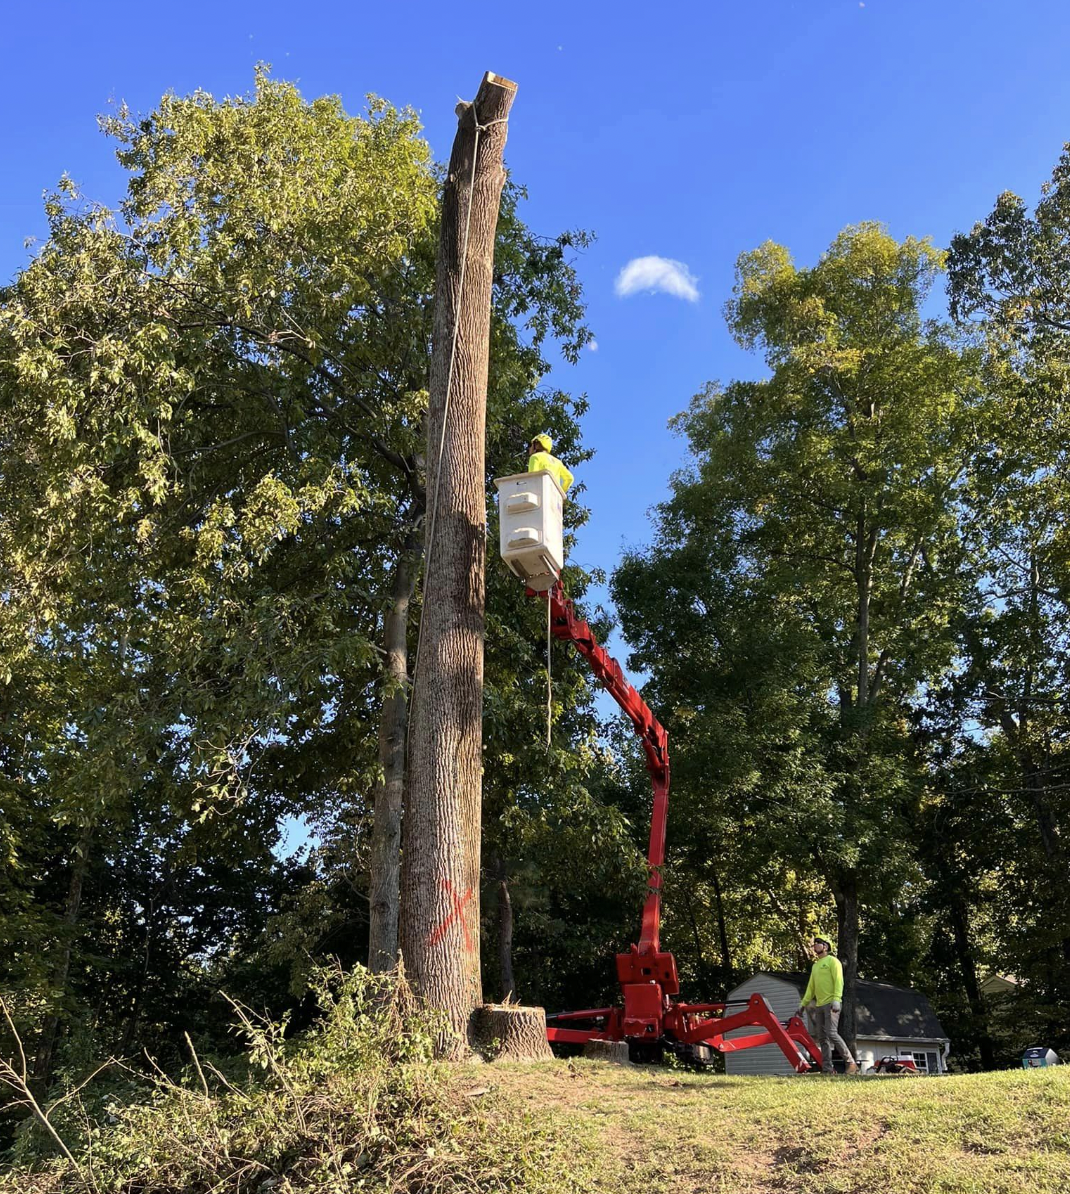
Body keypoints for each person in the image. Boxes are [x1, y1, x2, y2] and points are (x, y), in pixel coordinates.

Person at [799, 935, 859, 1075]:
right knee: (822, 1037)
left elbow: (839, 981)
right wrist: (803, 1005)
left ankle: (851, 1063)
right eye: (815, 944)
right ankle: (827, 1069)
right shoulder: (815, 966)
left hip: (832, 1003)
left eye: (818, 943)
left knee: (832, 1033)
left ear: (825, 946)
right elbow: (811, 988)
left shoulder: (833, 961)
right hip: (819, 1005)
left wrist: (837, 999)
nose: (815, 945)